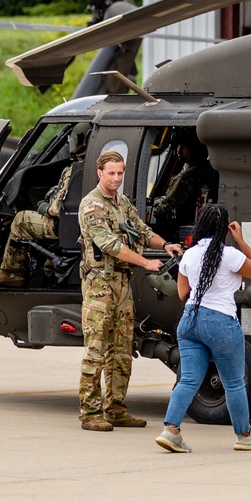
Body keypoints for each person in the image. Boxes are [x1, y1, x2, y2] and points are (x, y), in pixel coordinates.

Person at [78, 150, 183, 431]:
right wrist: (145, 261)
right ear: (100, 173)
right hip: (100, 286)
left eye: (120, 173)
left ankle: (115, 409)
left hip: (123, 285)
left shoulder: (122, 203)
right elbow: (109, 244)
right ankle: (89, 413)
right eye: (111, 173)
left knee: (122, 349)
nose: (116, 178)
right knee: (96, 350)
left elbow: (142, 230)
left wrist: (164, 245)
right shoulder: (91, 206)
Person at [155, 204, 251, 453]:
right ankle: (244, 435)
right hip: (220, 321)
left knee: (188, 379)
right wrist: (240, 240)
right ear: (224, 228)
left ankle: (171, 430)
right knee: (234, 383)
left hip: (190, 320)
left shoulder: (189, 255)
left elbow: (183, 293)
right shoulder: (229, 254)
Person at [0, 124, 90, 287]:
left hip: (67, 228)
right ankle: (48, 272)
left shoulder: (76, 170)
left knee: (21, 220)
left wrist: (42, 206)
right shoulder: (103, 167)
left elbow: (57, 209)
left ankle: (12, 273)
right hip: (83, 228)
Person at [152, 135, 210, 226]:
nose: (179, 150)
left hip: (182, 223)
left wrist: (154, 206)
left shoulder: (188, 175)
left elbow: (168, 205)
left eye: (184, 147)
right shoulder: (199, 169)